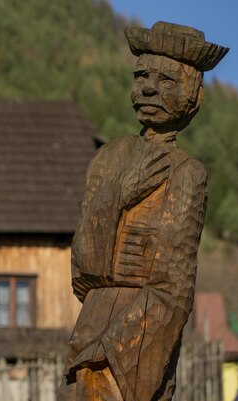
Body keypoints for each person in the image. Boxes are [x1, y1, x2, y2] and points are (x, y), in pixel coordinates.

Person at [58, 22, 228, 401]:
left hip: (137, 339)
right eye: (141, 75)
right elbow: (82, 270)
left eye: (166, 79)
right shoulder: (106, 160)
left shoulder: (187, 173)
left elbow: (175, 289)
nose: (149, 87)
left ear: (193, 96)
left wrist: (119, 346)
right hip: (90, 325)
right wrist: (117, 196)